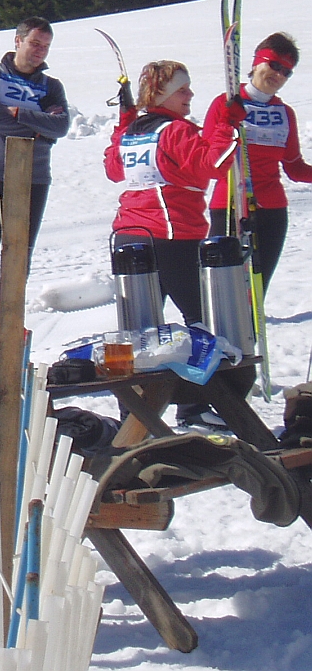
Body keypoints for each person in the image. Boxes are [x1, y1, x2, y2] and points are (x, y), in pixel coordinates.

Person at [104, 60, 244, 429]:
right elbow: (215, 163)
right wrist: (228, 125)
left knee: (137, 333)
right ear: (162, 95)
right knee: (201, 323)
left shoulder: (134, 131)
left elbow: (114, 168)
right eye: (182, 90)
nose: (190, 95)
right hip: (171, 235)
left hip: (130, 234)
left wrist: (124, 123)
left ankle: (134, 417)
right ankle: (194, 407)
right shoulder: (175, 131)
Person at [0, 17, 69, 364]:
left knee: (19, 258)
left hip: (34, 178)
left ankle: (10, 330)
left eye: (46, 46)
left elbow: (62, 126)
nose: (40, 52)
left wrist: (20, 113)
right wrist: (38, 127)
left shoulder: (51, 86)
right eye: (35, 43)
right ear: (18, 41)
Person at [203, 33, 312, 290]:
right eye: (274, 65)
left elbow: (294, 167)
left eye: (286, 72)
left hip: (271, 211)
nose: (279, 75)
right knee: (223, 291)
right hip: (229, 206)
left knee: (255, 291)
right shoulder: (224, 103)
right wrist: (227, 122)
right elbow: (208, 161)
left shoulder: (284, 113)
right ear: (256, 62)